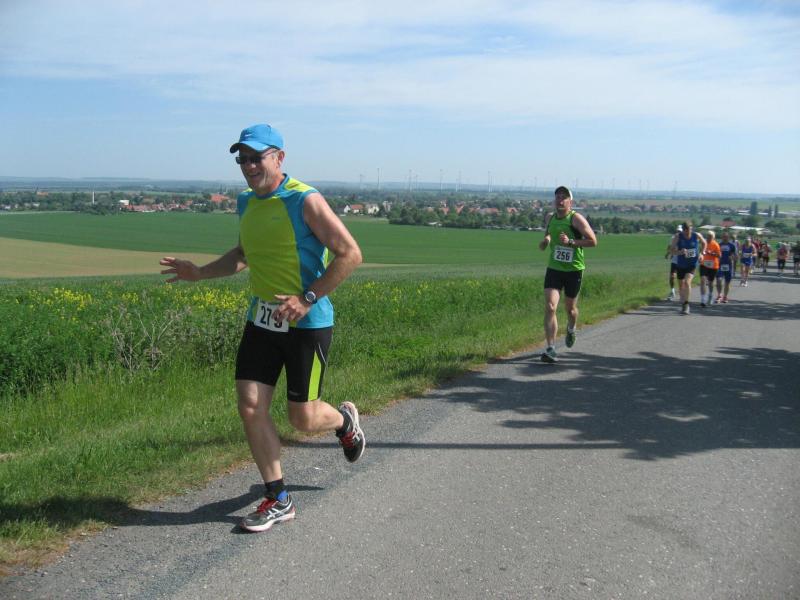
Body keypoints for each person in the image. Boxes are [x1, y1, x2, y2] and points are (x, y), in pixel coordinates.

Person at [159, 123, 365, 533]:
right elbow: (243, 253)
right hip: (263, 320)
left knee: (302, 418)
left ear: (279, 158)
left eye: (257, 157)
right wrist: (199, 272)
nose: (249, 165)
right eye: (243, 159)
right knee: (251, 405)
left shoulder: (305, 200)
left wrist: (307, 298)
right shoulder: (245, 202)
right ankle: (278, 498)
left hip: (307, 323)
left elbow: (350, 253)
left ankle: (345, 423)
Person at [537, 186, 597, 363]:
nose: (560, 200)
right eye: (557, 197)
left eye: (564, 197)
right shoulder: (550, 217)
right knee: (550, 306)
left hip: (573, 270)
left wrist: (570, 242)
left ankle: (571, 328)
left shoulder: (576, 219)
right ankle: (550, 348)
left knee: (570, 309)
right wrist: (546, 240)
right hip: (554, 269)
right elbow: (549, 233)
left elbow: (593, 241)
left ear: (570, 202)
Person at [670, 220, 707, 315]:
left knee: (687, 282)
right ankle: (683, 302)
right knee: (681, 286)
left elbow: (704, 243)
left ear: (692, 228)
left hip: (692, 264)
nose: (688, 232)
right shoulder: (678, 237)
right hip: (681, 264)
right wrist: (680, 252)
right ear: (683, 230)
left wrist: (702, 253)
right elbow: (671, 251)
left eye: (689, 230)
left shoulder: (696, 235)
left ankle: (686, 304)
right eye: (686, 231)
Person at [698, 230, 720, 308]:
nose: (709, 238)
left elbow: (719, 255)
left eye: (711, 237)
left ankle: (710, 295)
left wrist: (712, 253)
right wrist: (700, 256)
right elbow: (700, 250)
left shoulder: (716, 244)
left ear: (713, 237)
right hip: (703, 264)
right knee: (703, 280)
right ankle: (703, 299)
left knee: (710, 282)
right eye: (708, 236)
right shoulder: (703, 243)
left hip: (713, 266)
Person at [715, 230, 737, 303]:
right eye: (723, 237)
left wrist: (732, 257)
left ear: (728, 237)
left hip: (728, 266)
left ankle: (725, 297)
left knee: (727, 282)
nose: (725, 238)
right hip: (720, 265)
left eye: (726, 237)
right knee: (719, 280)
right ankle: (719, 295)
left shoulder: (732, 246)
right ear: (722, 237)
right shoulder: (719, 245)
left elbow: (735, 256)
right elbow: (716, 254)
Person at [664, 227, 681, 301]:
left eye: (679, 231)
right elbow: (670, 247)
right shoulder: (673, 238)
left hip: (682, 261)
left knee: (681, 279)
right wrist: (668, 254)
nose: (678, 232)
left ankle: (682, 294)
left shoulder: (684, 239)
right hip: (674, 261)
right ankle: (672, 291)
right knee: (672, 276)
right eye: (677, 231)